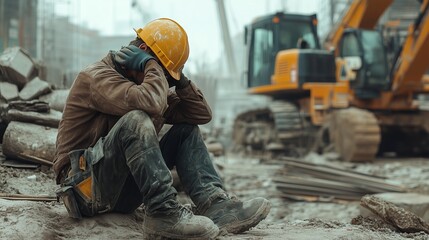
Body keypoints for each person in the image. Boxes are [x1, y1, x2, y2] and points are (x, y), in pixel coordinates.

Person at [53, 18, 271, 239]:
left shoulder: (144, 86)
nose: (164, 80)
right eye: (163, 72)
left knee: (185, 132)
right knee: (136, 120)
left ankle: (215, 205)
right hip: (86, 190)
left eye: (167, 75)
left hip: (119, 190)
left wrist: (181, 81)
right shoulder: (96, 77)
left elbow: (201, 114)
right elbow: (151, 103)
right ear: (143, 52)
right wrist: (153, 66)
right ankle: (163, 213)